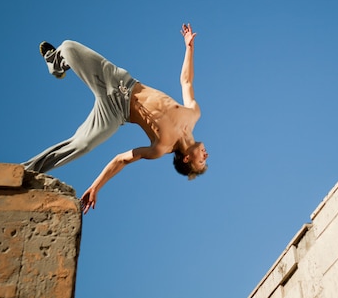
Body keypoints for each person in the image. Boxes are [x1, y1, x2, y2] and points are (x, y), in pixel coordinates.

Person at [22, 23, 209, 214]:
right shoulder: (194, 113)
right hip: (119, 82)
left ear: (186, 159)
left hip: (115, 112)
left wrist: (96, 186)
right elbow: (186, 81)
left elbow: (121, 160)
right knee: (68, 47)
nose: (206, 155)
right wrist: (189, 48)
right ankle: (55, 63)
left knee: (83, 144)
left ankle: (25, 170)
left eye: (201, 162)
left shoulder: (161, 148)